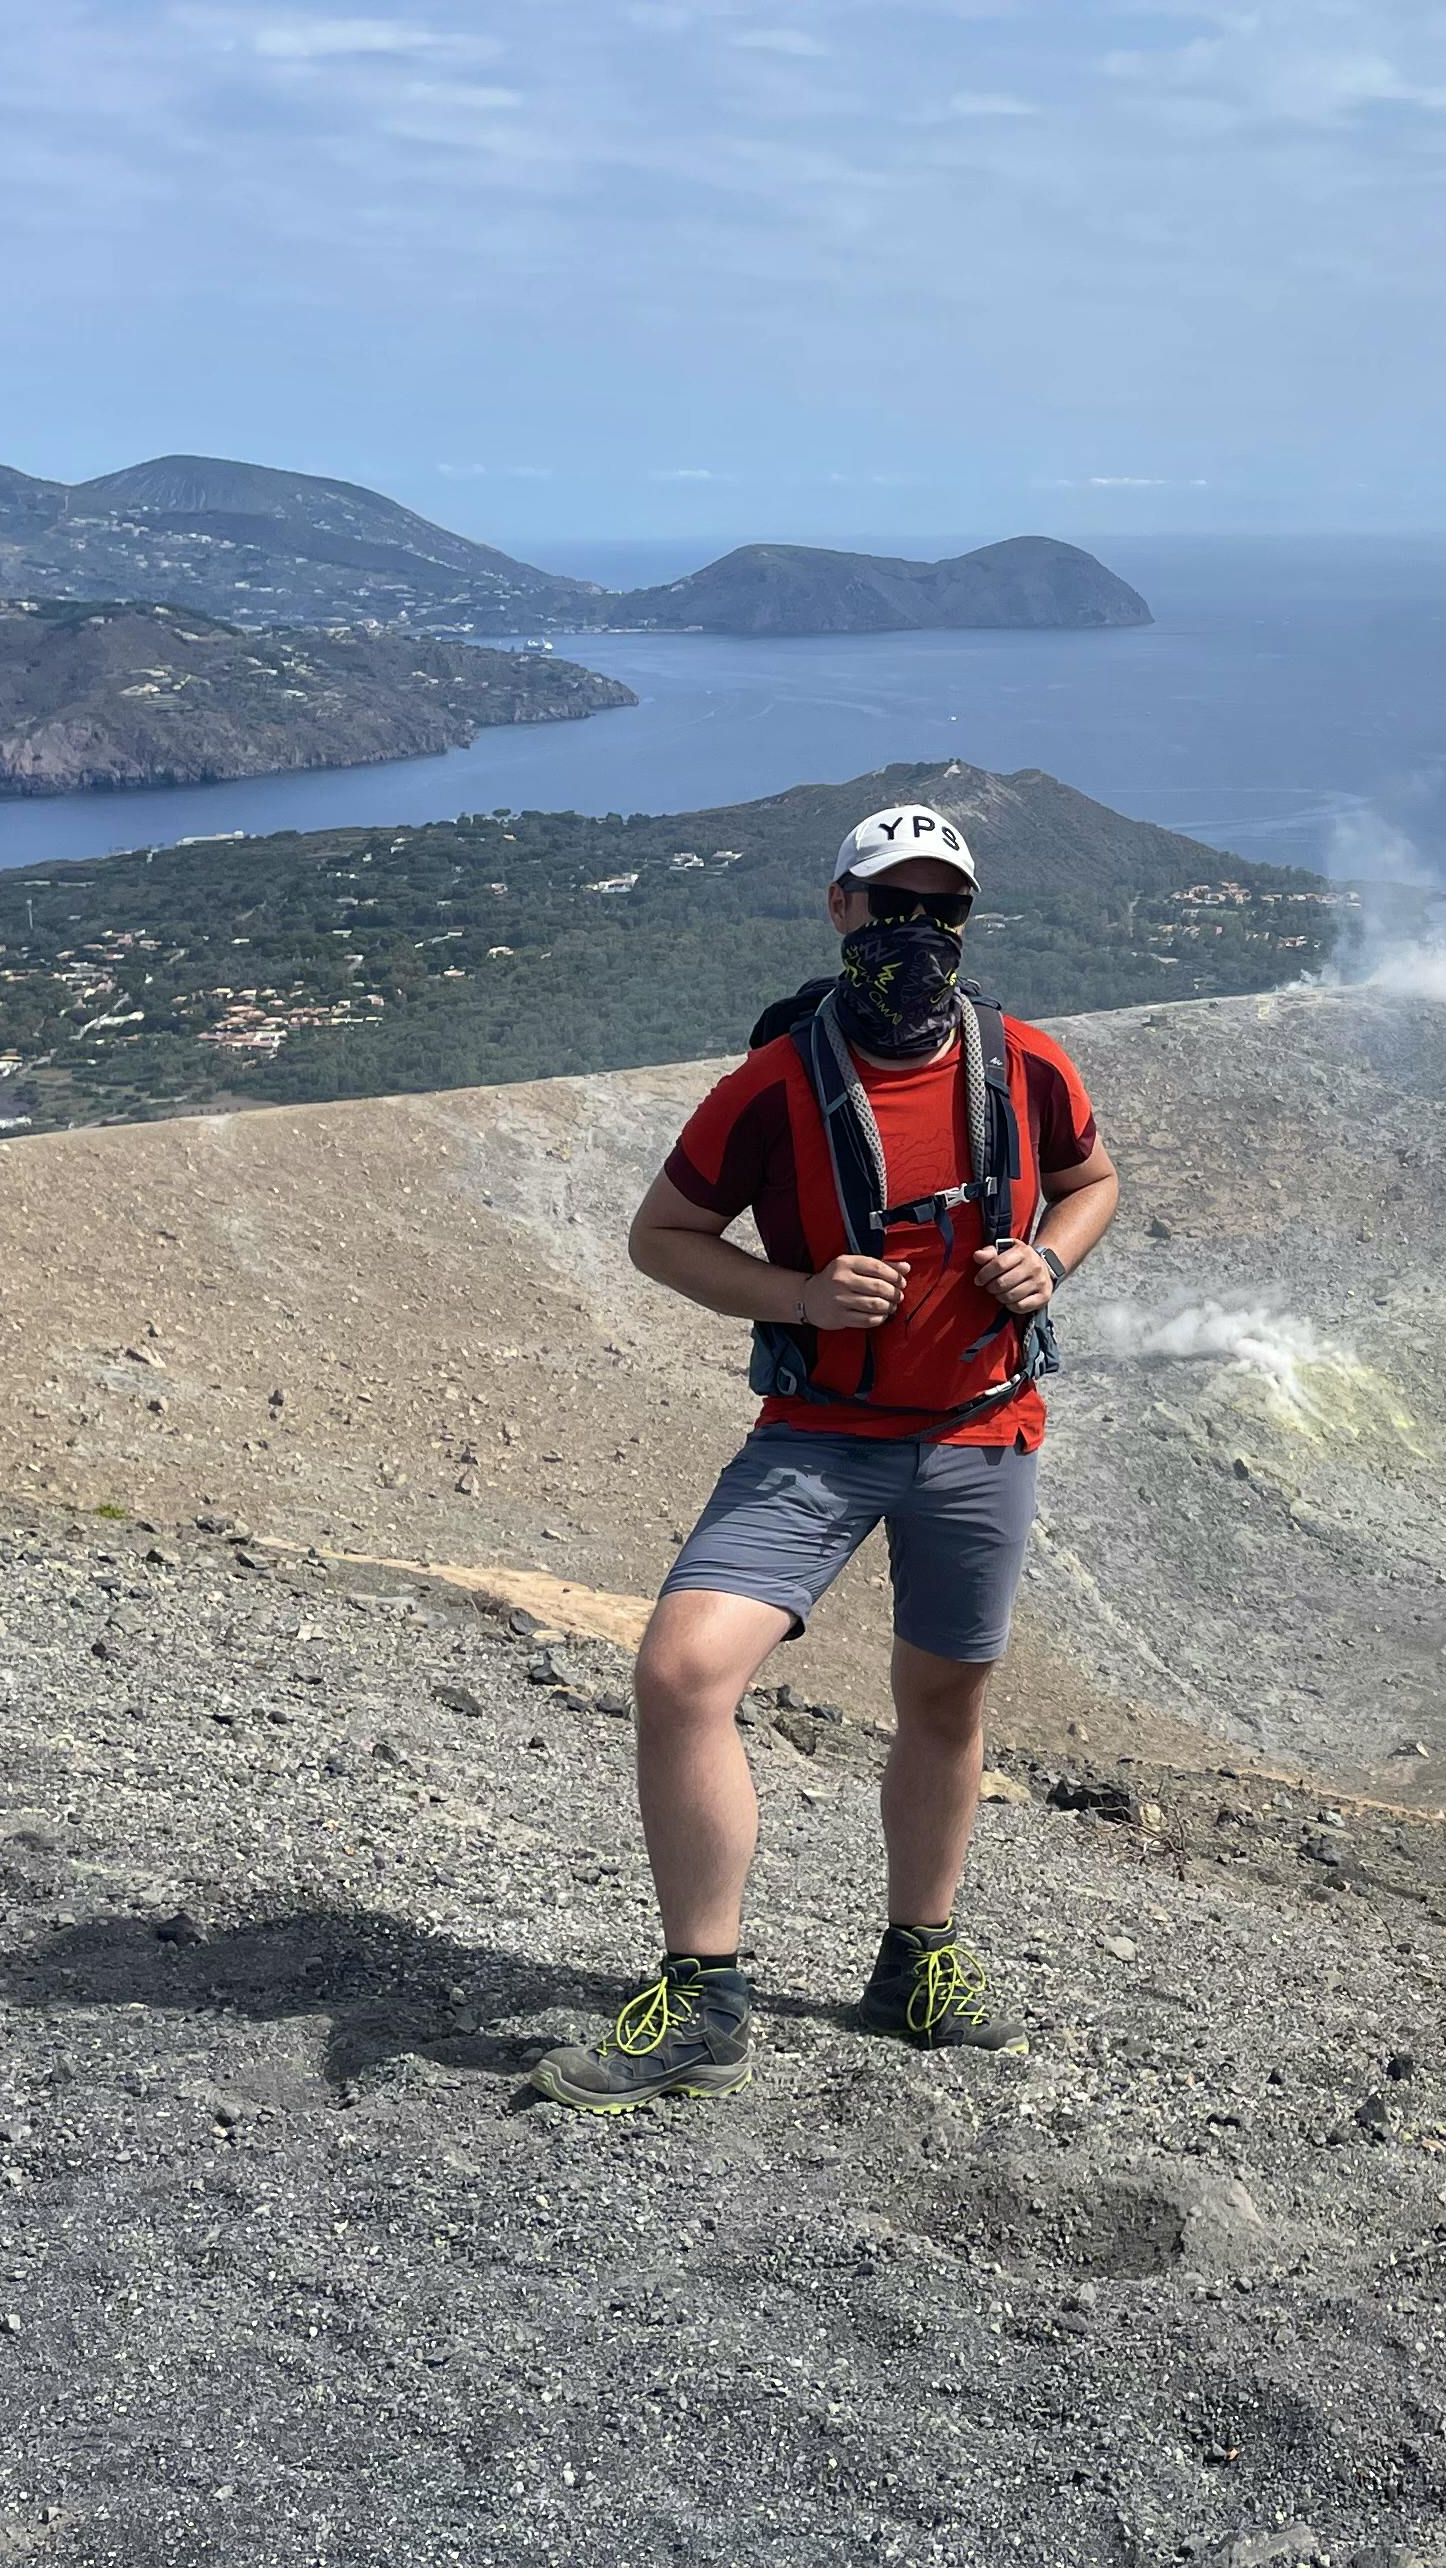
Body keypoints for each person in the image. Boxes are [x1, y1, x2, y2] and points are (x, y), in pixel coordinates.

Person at [530, 799, 1118, 2110]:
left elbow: (1092, 1181)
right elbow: (663, 1236)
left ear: (968, 924)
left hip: (982, 1433)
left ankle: (916, 1960)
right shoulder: (772, 1087)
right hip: (821, 1439)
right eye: (893, 905)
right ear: (841, 909)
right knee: (683, 1673)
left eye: (943, 909)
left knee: (945, 1702)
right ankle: (703, 1996)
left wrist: (1051, 1260)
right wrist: (794, 1298)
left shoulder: (1025, 1064)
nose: (919, 932)